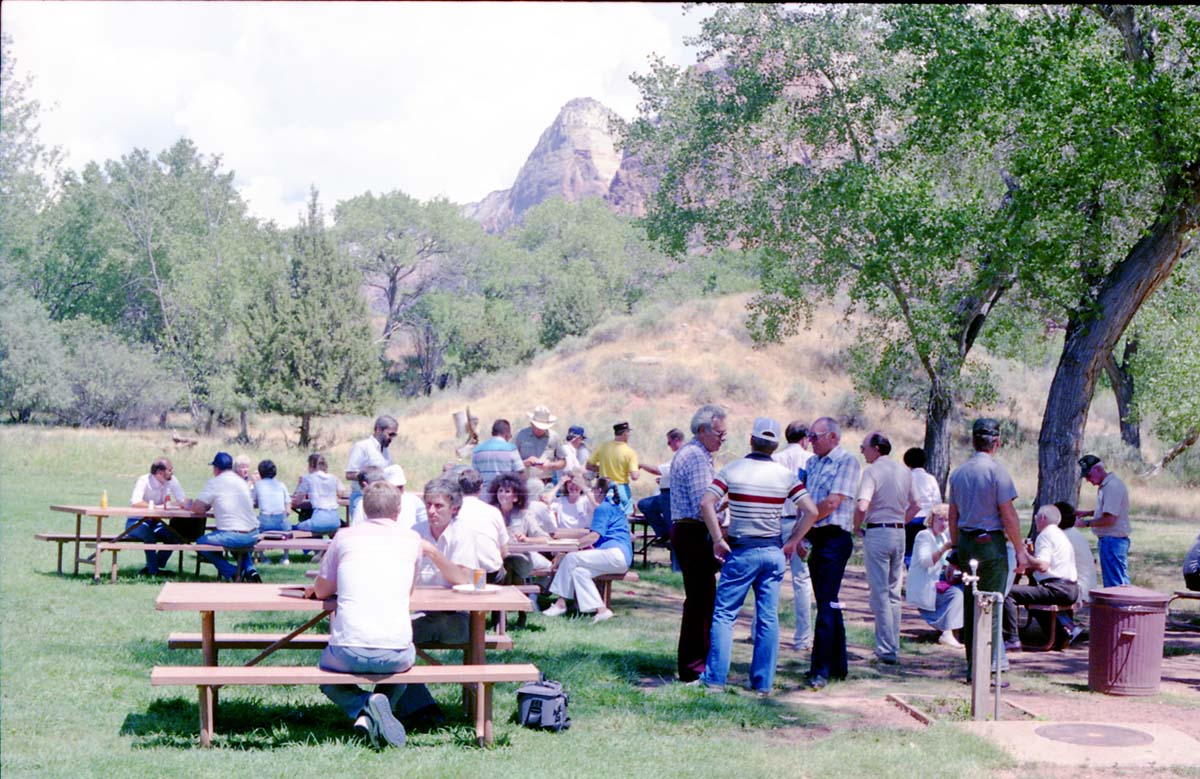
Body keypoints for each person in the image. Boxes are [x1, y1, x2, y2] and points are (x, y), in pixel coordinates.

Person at [697, 417, 817, 694]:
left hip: (742, 550)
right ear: (774, 446)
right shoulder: (786, 476)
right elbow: (810, 510)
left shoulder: (733, 469)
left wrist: (717, 539)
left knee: (725, 614)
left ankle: (715, 680)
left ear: (751, 440)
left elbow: (707, 502)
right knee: (768, 617)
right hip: (773, 550)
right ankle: (762, 683)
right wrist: (793, 541)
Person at [306, 481, 419, 749]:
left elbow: (322, 590)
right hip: (396, 653)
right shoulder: (413, 540)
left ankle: (364, 707)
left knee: (326, 677)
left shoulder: (344, 537)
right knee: (401, 670)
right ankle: (378, 710)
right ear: (398, 509)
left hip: (348, 650)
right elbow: (410, 589)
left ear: (363, 508)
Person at [948, 418, 1029, 678]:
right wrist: (1020, 549)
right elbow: (1008, 514)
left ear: (973, 441)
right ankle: (990, 670)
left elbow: (953, 515)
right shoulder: (997, 472)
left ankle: (974, 667)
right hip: (990, 543)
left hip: (967, 543)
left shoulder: (958, 474)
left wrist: (956, 547)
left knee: (972, 605)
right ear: (997, 443)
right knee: (992, 604)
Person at [799, 416, 861, 691]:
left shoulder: (846, 461)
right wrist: (804, 532)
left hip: (834, 537)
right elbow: (806, 501)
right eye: (809, 436)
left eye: (815, 436)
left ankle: (819, 669)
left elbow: (833, 502)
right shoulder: (811, 463)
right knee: (829, 600)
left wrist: (802, 528)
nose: (810, 441)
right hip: (816, 535)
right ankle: (838, 664)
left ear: (833, 437)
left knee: (825, 604)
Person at [669, 403, 728, 682]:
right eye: (719, 433)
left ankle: (695, 663)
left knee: (702, 600)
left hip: (691, 531)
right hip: (693, 531)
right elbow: (702, 505)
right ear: (703, 430)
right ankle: (694, 667)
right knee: (701, 601)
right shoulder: (695, 457)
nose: (722, 438)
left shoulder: (698, 454)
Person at [853, 431, 913, 665]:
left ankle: (886, 648)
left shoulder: (872, 471)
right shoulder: (904, 471)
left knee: (880, 592)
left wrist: (856, 527)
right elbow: (916, 504)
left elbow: (862, 505)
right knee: (893, 591)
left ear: (876, 448)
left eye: (864, 447)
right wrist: (900, 520)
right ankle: (891, 644)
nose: (862, 451)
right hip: (899, 531)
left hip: (878, 531)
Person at [542, 478, 633, 623]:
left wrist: (573, 546)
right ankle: (601, 610)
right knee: (580, 572)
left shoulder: (602, 508)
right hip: (620, 557)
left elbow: (594, 536)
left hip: (615, 554)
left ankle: (560, 603)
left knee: (571, 558)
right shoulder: (613, 506)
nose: (591, 492)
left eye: (592, 489)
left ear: (598, 491)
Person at [1002, 505, 1079, 650]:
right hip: (1072, 588)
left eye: (1036, 517)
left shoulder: (1045, 535)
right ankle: (1061, 634)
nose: (1035, 521)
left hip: (1056, 588)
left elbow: (1043, 565)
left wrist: (1025, 554)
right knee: (1031, 595)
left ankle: (1012, 638)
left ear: (1042, 518)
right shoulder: (1060, 534)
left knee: (1008, 593)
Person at [773, 421, 815, 651]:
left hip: (775, 521)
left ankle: (759, 630)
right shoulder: (809, 460)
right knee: (801, 580)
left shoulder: (775, 459)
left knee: (770, 579)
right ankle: (802, 638)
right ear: (805, 438)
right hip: (799, 522)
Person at [190, 452, 261, 582]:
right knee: (237, 542)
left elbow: (197, 508)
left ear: (216, 469)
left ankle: (232, 572)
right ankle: (251, 570)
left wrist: (204, 506)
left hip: (234, 534)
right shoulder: (241, 482)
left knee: (201, 542)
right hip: (253, 534)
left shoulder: (215, 483)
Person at [905, 504, 963, 647]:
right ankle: (947, 633)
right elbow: (926, 562)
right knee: (956, 594)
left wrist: (951, 566)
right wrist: (944, 548)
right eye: (940, 520)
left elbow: (944, 563)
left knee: (964, 588)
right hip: (926, 584)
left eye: (947, 520)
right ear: (931, 520)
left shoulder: (943, 537)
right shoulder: (924, 536)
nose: (943, 524)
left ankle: (958, 632)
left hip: (941, 580)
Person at [127, 458, 190, 576]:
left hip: (157, 522)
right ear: (160, 472)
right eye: (170, 470)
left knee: (175, 537)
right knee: (149, 536)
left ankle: (155, 566)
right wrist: (157, 507)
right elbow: (135, 502)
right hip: (136, 522)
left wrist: (191, 504)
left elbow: (182, 500)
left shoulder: (172, 480)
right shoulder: (144, 480)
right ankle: (153, 571)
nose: (173, 472)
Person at [1076, 455, 1132, 587]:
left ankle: (1120, 607)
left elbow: (1110, 518)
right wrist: (1086, 513)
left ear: (1098, 469)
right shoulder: (1106, 486)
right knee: (1117, 581)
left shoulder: (1112, 487)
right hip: (1110, 541)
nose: (1088, 480)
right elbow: (1107, 510)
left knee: (1116, 585)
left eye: (1088, 475)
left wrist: (1086, 523)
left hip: (1113, 541)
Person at [492, 472, 556, 580]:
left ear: (516, 497)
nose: (502, 494)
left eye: (507, 491)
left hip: (520, 558)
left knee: (513, 564)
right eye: (500, 490)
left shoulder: (525, 515)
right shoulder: (491, 513)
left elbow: (545, 539)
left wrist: (527, 539)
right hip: (496, 558)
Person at [452, 468, 507, 580]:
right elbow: (504, 551)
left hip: (461, 573)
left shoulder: (452, 511)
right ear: (481, 488)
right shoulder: (493, 512)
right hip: (489, 573)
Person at [635, 428, 686, 541]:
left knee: (671, 523)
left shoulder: (681, 455)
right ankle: (663, 532)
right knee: (644, 505)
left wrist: (642, 465)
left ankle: (670, 538)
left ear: (676, 440)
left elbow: (660, 470)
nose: (669, 445)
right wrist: (663, 480)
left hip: (670, 495)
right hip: (665, 494)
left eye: (669, 442)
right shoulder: (679, 455)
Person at [345, 415, 399, 517]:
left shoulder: (386, 451)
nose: (391, 438)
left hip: (380, 499)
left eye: (394, 435)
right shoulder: (362, 447)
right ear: (378, 429)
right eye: (390, 434)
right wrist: (372, 476)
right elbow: (349, 474)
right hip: (361, 498)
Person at [348, 465, 427, 531]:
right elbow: (356, 529)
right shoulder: (364, 503)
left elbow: (425, 523)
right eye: (393, 487)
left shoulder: (413, 501)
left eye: (400, 487)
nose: (397, 491)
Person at [587, 421, 640, 516]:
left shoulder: (603, 447)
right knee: (624, 519)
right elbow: (634, 476)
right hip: (621, 488)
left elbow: (589, 465)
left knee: (604, 517)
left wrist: (602, 468)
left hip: (604, 488)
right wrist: (638, 469)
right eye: (628, 433)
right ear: (624, 433)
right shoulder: (630, 452)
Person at [903, 447, 942, 568]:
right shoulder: (930, 479)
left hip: (909, 518)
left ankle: (911, 572)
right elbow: (937, 502)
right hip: (926, 519)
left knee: (909, 550)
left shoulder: (906, 478)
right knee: (925, 549)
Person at [1055, 500, 1097, 604]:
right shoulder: (1074, 533)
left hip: (1078, 590)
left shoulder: (1062, 536)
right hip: (1087, 586)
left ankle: (1061, 619)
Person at [292, 453, 344, 536]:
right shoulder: (333, 478)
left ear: (311, 466)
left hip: (318, 519)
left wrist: (298, 487)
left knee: (296, 527)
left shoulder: (308, 478)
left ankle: (312, 548)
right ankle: (321, 548)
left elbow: (297, 501)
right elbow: (341, 492)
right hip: (335, 520)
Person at [471, 419, 524, 499]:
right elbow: (520, 473)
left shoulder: (477, 450)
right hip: (505, 496)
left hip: (485, 496)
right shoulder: (510, 448)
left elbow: (475, 476)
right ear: (507, 433)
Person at [252, 459, 292, 565]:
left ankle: (263, 557)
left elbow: (251, 501)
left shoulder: (258, 485)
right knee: (288, 527)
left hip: (264, 520)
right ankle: (285, 557)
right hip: (280, 520)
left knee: (254, 528)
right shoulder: (281, 485)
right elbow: (288, 508)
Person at [514, 405, 568, 484]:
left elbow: (563, 462)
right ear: (531, 423)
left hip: (546, 483)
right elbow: (509, 461)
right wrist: (525, 463)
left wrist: (549, 465)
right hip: (524, 482)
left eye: (542, 428)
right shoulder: (520, 435)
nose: (539, 430)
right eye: (537, 426)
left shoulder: (554, 437)